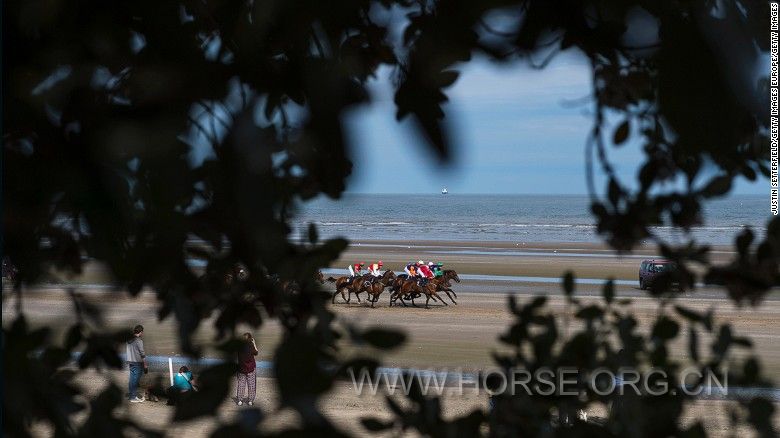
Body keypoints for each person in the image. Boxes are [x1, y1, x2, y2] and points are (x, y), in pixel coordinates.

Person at [126, 324, 148, 403]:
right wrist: (145, 365)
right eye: (142, 332)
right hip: (137, 362)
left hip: (130, 361)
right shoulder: (139, 341)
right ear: (141, 332)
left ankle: (132, 395)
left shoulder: (129, 340)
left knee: (132, 379)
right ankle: (133, 397)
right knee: (135, 380)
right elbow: (142, 353)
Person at [236, 332, 259, 406]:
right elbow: (256, 352)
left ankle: (240, 400)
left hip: (241, 369)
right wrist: (254, 343)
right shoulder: (251, 346)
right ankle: (250, 401)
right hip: (251, 369)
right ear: (250, 339)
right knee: (251, 385)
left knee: (241, 385)